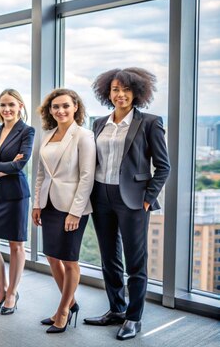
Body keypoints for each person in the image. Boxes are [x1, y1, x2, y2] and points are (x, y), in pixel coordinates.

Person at [84, 68, 170, 340]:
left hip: (132, 200)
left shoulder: (149, 123)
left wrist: (147, 199)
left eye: (126, 90)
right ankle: (116, 309)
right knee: (109, 258)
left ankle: (134, 318)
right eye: (115, 89)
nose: (120, 95)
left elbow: (163, 167)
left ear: (137, 93)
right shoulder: (99, 123)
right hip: (101, 195)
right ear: (107, 93)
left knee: (135, 262)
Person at [32, 88, 95, 333]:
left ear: (75, 107)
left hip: (72, 206)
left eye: (65, 106)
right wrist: (37, 204)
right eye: (56, 107)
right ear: (50, 110)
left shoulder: (83, 135)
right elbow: (40, 174)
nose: (60, 110)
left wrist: (75, 212)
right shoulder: (47, 135)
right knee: (51, 256)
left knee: (70, 260)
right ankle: (71, 302)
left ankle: (63, 310)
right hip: (48, 204)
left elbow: (87, 177)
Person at [0, 89, 34, 315]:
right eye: (3, 105)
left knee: (16, 246)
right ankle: (2, 289)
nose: (7, 109)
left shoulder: (27, 131)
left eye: (11, 104)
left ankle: (12, 293)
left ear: (20, 106)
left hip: (15, 195)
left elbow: (18, 166)